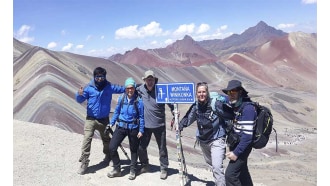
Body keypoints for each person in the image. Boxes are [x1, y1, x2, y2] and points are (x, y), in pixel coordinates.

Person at [178, 82, 234, 186]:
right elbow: (188, 118)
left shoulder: (216, 104)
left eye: (203, 91)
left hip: (217, 138)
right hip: (203, 141)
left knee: (217, 167)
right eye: (199, 92)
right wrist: (180, 125)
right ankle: (220, 181)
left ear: (207, 92)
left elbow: (230, 114)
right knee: (212, 164)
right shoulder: (196, 106)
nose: (201, 94)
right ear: (196, 93)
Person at [75, 67, 125, 175]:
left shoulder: (109, 87)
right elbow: (79, 100)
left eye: (102, 76)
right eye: (97, 77)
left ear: (104, 76)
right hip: (91, 119)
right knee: (87, 139)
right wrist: (78, 94)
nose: (100, 79)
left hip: (104, 119)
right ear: (94, 77)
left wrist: (132, 87)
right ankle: (84, 162)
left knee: (106, 139)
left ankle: (108, 156)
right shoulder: (88, 88)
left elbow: (121, 89)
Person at [136, 70, 174, 180]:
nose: (150, 81)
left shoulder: (160, 90)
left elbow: (170, 102)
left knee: (162, 148)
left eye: (151, 79)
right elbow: (131, 90)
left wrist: (173, 110)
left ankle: (163, 168)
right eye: (148, 79)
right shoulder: (140, 89)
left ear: (154, 80)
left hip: (159, 125)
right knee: (141, 148)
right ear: (144, 80)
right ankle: (145, 165)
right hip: (145, 126)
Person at [106, 77, 144, 180]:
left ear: (134, 88)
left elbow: (141, 117)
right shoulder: (121, 98)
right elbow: (116, 112)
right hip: (121, 126)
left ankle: (132, 170)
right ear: (125, 89)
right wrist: (111, 123)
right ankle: (117, 169)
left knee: (133, 150)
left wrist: (141, 130)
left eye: (131, 88)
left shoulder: (138, 101)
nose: (130, 90)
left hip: (133, 127)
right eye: (128, 88)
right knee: (112, 147)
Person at [222, 79, 257, 186]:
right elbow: (223, 99)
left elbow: (247, 137)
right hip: (237, 145)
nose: (230, 95)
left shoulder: (248, 109)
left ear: (240, 92)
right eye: (229, 92)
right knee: (242, 173)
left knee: (230, 175)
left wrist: (236, 153)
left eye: (233, 92)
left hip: (243, 147)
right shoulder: (237, 105)